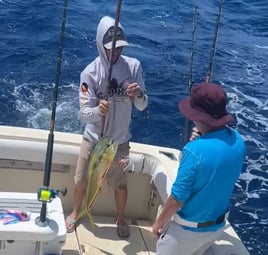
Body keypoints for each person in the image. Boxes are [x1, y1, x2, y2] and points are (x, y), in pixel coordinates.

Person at [65, 16, 148, 238]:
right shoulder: (89, 73)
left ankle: (121, 219)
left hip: (119, 142)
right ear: (99, 45)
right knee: (81, 179)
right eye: (110, 48)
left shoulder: (134, 66)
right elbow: (84, 115)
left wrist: (138, 94)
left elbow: (142, 105)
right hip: (93, 140)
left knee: (120, 185)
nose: (115, 53)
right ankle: (76, 212)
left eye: (119, 48)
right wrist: (96, 111)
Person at [152, 82, 246, 255]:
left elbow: (176, 200)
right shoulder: (238, 140)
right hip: (217, 226)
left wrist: (159, 223)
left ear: (199, 116)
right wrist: (202, 139)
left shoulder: (194, 151)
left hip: (186, 231)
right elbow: (217, 167)